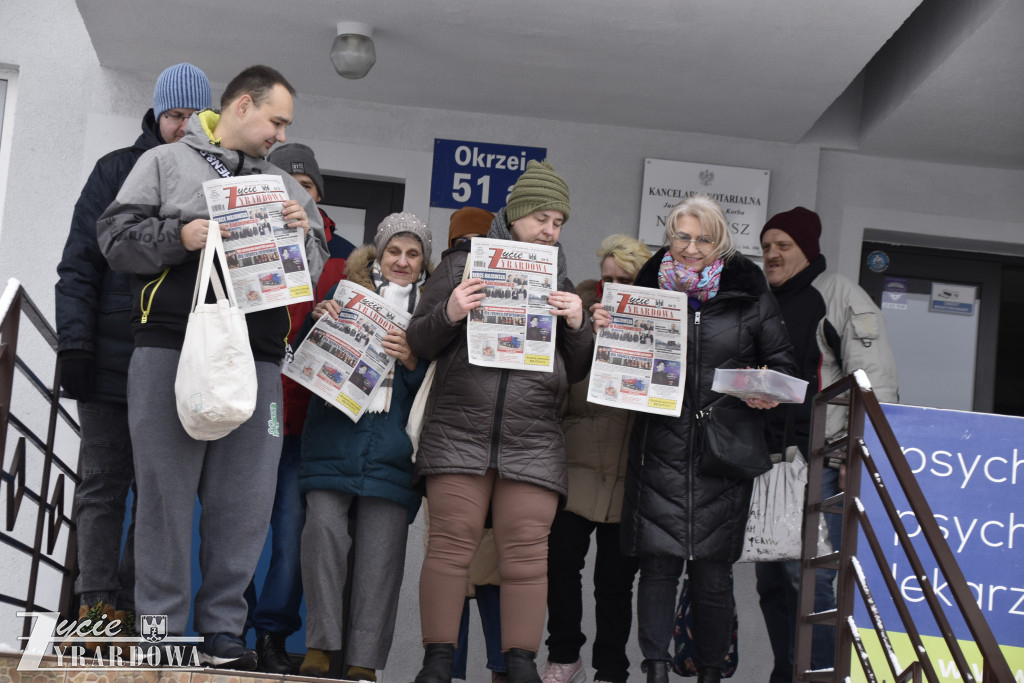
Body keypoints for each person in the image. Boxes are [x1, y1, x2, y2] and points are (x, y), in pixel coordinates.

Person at [97, 65, 328, 670]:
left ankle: (224, 631)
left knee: (244, 503)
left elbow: (313, 269)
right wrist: (184, 233)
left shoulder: (287, 186)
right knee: (165, 500)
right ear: (243, 106)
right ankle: (159, 633)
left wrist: (305, 237)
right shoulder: (167, 161)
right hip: (170, 347)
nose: (281, 133)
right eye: (276, 120)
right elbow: (115, 239)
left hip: (259, 358)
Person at [407, 160, 594, 683]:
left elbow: (578, 371)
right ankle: (437, 663)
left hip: (532, 440)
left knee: (528, 556)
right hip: (459, 430)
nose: (549, 231)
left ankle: (520, 667)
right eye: (541, 218)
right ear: (513, 216)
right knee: (450, 541)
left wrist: (577, 324)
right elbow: (420, 340)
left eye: (558, 223)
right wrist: (451, 311)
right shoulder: (460, 263)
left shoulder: (561, 280)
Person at [601, 195, 796, 683]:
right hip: (660, 441)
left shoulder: (750, 293)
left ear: (721, 241)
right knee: (659, 566)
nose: (690, 248)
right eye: (682, 237)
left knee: (713, 573)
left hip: (723, 448)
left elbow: (784, 363)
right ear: (669, 237)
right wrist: (607, 331)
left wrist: (763, 388)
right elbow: (615, 368)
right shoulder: (643, 288)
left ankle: (710, 672)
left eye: (702, 238)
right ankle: (656, 669)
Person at [54, 62, 211, 644]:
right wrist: (75, 346)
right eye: (175, 116)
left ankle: (138, 611)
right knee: (101, 483)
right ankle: (97, 607)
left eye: (196, 117)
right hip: (108, 358)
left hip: (176, 363)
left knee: (160, 495)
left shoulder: (217, 180)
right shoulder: (117, 170)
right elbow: (78, 264)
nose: (184, 128)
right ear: (156, 115)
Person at [756, 207, 898, 683]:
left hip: (822, 464)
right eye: (767, 245)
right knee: (773, 580)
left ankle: (814, 676)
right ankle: (786, 671)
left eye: (784, 246)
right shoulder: (760, 298)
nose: (773, 254)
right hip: (768, 466)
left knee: (814, 585)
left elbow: (872, 383)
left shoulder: (839, 295)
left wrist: (849, 454)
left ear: (808, 249)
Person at [297, 213, 431, 682]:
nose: (402, 261)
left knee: (382, 558)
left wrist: (412, 358)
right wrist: (316, 324)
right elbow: (300, 359)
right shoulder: (343, 295)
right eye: (394, 251)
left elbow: (440, 387)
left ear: (423, 262)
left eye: (413, 254)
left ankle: (362, 662)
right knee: (322, 538)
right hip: (333, 439)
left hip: (393, 451)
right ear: (378, 253)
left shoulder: (429, 316)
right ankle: (319, 646)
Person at [242, 142, 357, 674]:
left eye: (304, 187)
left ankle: (271, 636)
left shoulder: (347, 257)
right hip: (246, 409)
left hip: (308, 421)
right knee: (232, 526)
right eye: (283, 184)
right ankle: (224, 625)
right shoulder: (245, 235)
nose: (294, 195)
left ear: (316, 196)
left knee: (290, 537)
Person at [541, 235, 650, 683]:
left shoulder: (659, 328)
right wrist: (587, 338)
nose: (613, 286)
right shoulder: (576, 317)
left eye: (624, 279)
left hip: (629, 474)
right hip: (577, 467)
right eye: (607, 278)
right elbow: (555, 394)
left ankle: (611, 667)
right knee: (560, 563)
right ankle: (564, 655)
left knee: (615, 583)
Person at [440, 206, 507, 683]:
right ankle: (475, 669)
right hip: (470, 443)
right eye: (462, 246)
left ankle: (469, 669)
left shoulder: (443, 274)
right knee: (473, 566)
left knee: (470, 565)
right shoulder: (446, 279)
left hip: (474, 447)